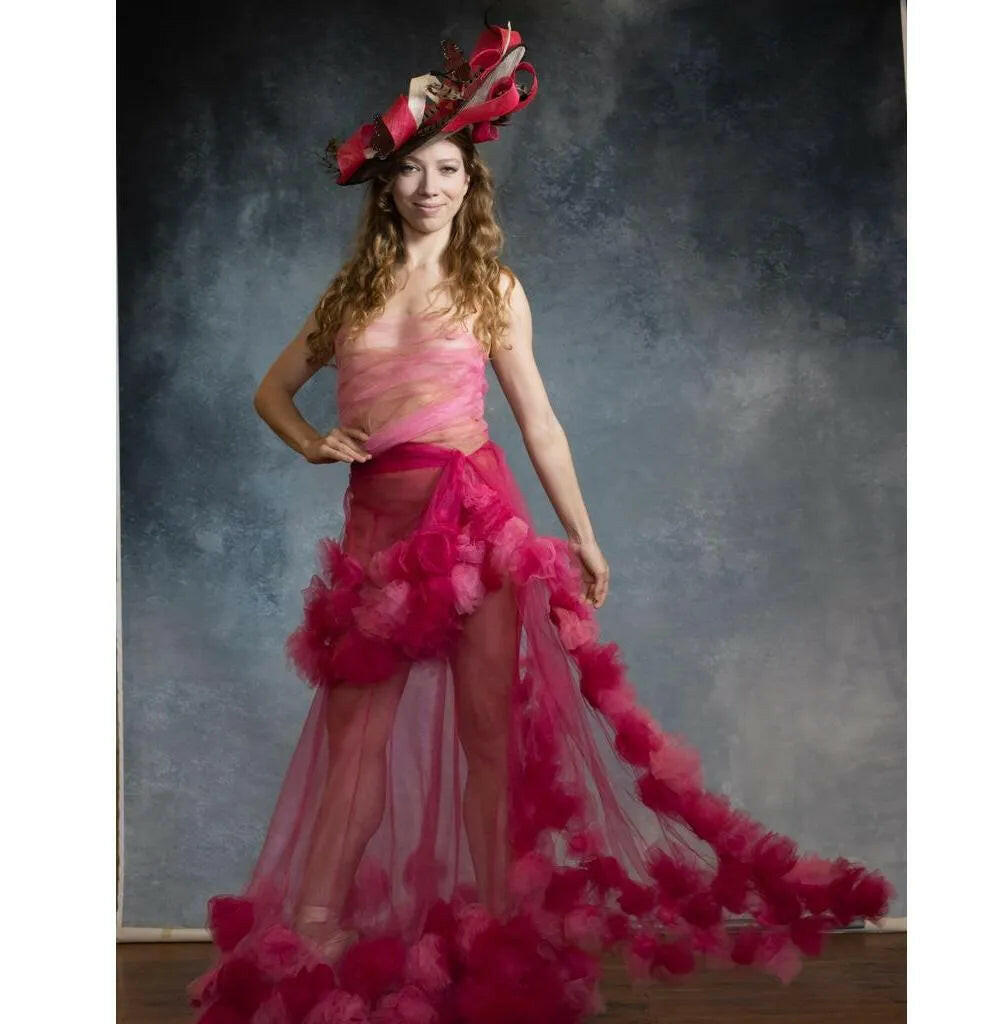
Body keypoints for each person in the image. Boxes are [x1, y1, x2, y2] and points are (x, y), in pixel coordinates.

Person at [187, 18, 893, 1024]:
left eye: (447, 170)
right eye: (411, 170)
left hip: (477, 522)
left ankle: (494, 925)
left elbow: (541, 424)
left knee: (489, 738)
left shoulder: (493, 290)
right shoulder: (348, 296)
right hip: (378, 532)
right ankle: (314, 929)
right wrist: (310, 442)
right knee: (355, 743)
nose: (429, 187)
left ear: (469, 183)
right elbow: (271, 391)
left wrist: (585, 535)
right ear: (386, 185)